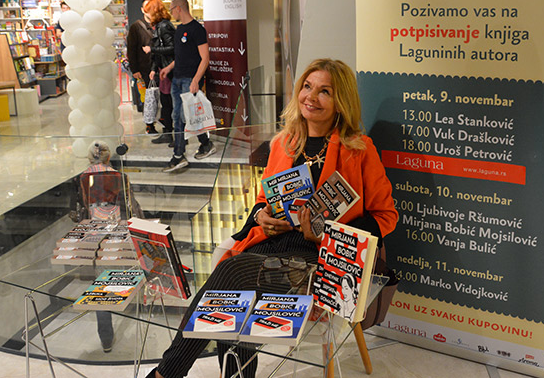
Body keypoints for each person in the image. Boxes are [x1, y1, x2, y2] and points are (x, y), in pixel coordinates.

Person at [146, 58, 398, 378]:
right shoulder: (283, 143)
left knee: (231, 274)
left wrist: (327, 233)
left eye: (325, 91)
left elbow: (385, 216)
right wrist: (262, 216)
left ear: (341, 102)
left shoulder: (360, 150)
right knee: (234, 294)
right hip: (272, 244)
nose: (311, 97)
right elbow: (263, 201)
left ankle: (165, 374)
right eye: (307, 87)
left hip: (318, 257)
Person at [71, 141, 144, 353]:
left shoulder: (80, 179)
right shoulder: (121, 177)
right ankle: (136, 317)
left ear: (88, 158)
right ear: (109, 157)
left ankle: (106, 338)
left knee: (101, 286)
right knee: (126, 276)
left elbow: (76, 212)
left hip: (95, 238)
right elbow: (131, 208)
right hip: (119, 236)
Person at [159, 0, 215, 172]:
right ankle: (190, 150)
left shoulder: (197, 29)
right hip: (177, 79)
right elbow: (181, 56)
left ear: (179, 8)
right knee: (178, 116)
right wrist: (169, 68)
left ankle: (182, 153)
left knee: (187, 116)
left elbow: (205, 58)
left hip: (189, 80)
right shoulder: (179, 30)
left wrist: (196, 80)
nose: (171, 13)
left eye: (171, 9)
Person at [145, 0, 176, 143]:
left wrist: (152, 49)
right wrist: (153, 68)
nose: (147, 15)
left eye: (148, 12)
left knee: (170, 103)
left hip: (169, 70)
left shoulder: (163, 26)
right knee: (166, 103)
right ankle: (169, 133)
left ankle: (175, 136)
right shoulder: (160, 26)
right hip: (164, 69)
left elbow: (172, 48)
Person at [126, 0, 154, 130]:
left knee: (161, 96)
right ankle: (150, 124)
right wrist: (135, 69)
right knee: (148, 97)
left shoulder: (160, 24)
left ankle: (163, 121)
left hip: (159, 68)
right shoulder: (136, 27)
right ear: (143, 10)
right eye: (147, 7)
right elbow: (131, 49)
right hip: (144, 68)